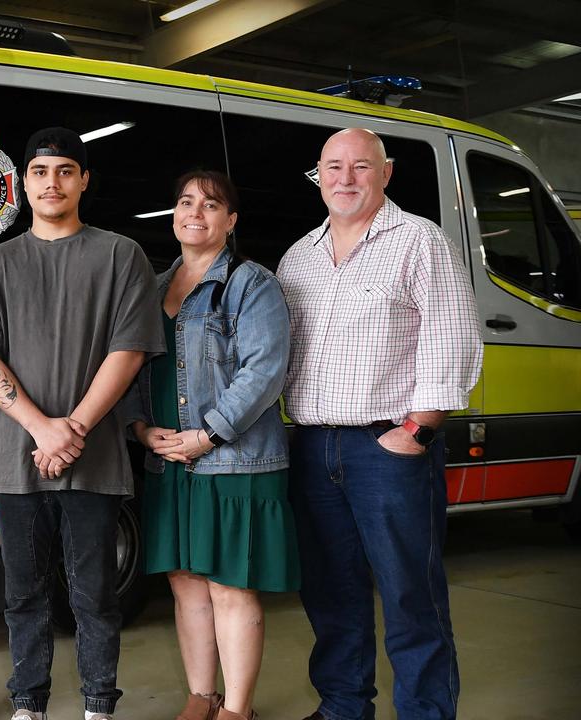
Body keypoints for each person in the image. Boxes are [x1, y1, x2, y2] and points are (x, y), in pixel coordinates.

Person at [0, 127, 160, 720]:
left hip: (94, 458)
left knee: (95, 593)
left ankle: (99, 704)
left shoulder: (122, 255)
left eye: (66, 170)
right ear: (23, 182)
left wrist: (72, 429)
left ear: (84, 180)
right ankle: (29, 703)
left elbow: (129, 351)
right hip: (17, 459)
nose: (53, 182)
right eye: (41, 172)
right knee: (23, 594)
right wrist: (43, 428)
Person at [278, 128, 482, 720]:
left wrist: (418, 429)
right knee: (329, 591)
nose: (346, 178)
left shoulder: (420, 241)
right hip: (314, 446)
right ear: (319, 175)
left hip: (387, 448)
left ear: (385, 174)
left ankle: (426, 711)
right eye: (334, 167)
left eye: (361, 167)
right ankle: (344, 705)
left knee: (409, 592)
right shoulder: (299, 257)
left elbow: (452, 335)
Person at [120, 170, 298, 720]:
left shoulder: (253, 285)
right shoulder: (150, 289)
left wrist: (208, 434)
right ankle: (201, 696)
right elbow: (126, 371)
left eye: (212, 205)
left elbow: (265, 372)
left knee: (231, 586)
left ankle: (237, 709)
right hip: (170, 460)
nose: (196, 213)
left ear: (231, 220)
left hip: (235, 461)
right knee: (186, 584)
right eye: (185, 202)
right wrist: (141, 430)